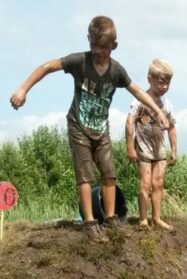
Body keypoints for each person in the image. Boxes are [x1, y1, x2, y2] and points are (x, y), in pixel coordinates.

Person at [9, 16, 170, 242]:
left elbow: (136, 91)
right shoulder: (79, 62)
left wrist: (158, 110)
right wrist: (23, 89)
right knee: (85, 176)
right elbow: (47, 67)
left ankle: (111, 219)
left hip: (100, 130)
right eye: (94, 44)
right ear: (88, 40)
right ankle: (90, 223)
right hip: (79, 127)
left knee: (109, 173)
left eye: (103, 47)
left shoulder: (116, 71)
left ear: (113, 46)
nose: (98, 50)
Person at [125, 58, 177, 231]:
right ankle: (142, 219)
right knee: (145, 183)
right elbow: (130, 122)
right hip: (144, 149)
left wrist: (174, 150)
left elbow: (171, 127)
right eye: (160, 83)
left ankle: (156, 218)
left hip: (159, 150)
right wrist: (130, 148)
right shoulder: (140, 100)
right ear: (150, 79)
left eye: (167, 84)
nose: (164, 87)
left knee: (158, 183)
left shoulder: (167, 104)